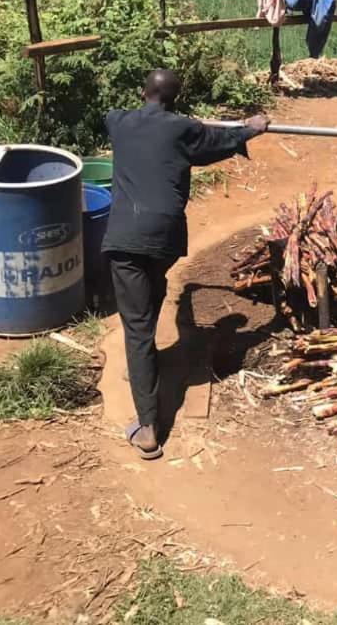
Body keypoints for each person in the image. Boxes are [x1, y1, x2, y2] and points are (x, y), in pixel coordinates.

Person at [102, 69, 269, 459]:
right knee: (154, 284)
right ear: (176, 99)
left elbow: (110, 115)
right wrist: (252, 128)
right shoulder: (185, 129)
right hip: (164, 238)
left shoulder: (119, 121)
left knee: (137, 327)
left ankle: (148, 426)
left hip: (127, 237)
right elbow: (219, 141)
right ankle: (146, 368)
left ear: (142, 92)